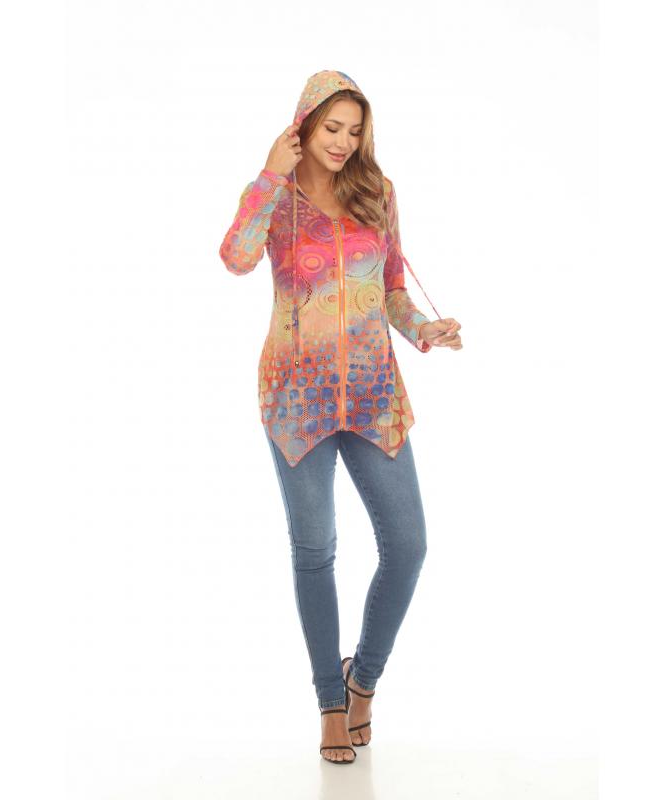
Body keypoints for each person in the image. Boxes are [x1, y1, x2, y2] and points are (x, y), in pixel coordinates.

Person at [219, 70, 463, 764]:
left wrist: (424, 330)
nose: (343, 142)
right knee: (315, 549)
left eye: (354, 131)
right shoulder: (275, 197)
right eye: (332, 127)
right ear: (303, 125)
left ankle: (363, 679)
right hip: (297, 397)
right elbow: (235, 258)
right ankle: (330, 699)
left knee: (408, 545)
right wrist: (270, 175)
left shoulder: (375, 193)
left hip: (372, 393)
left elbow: (391, 291)